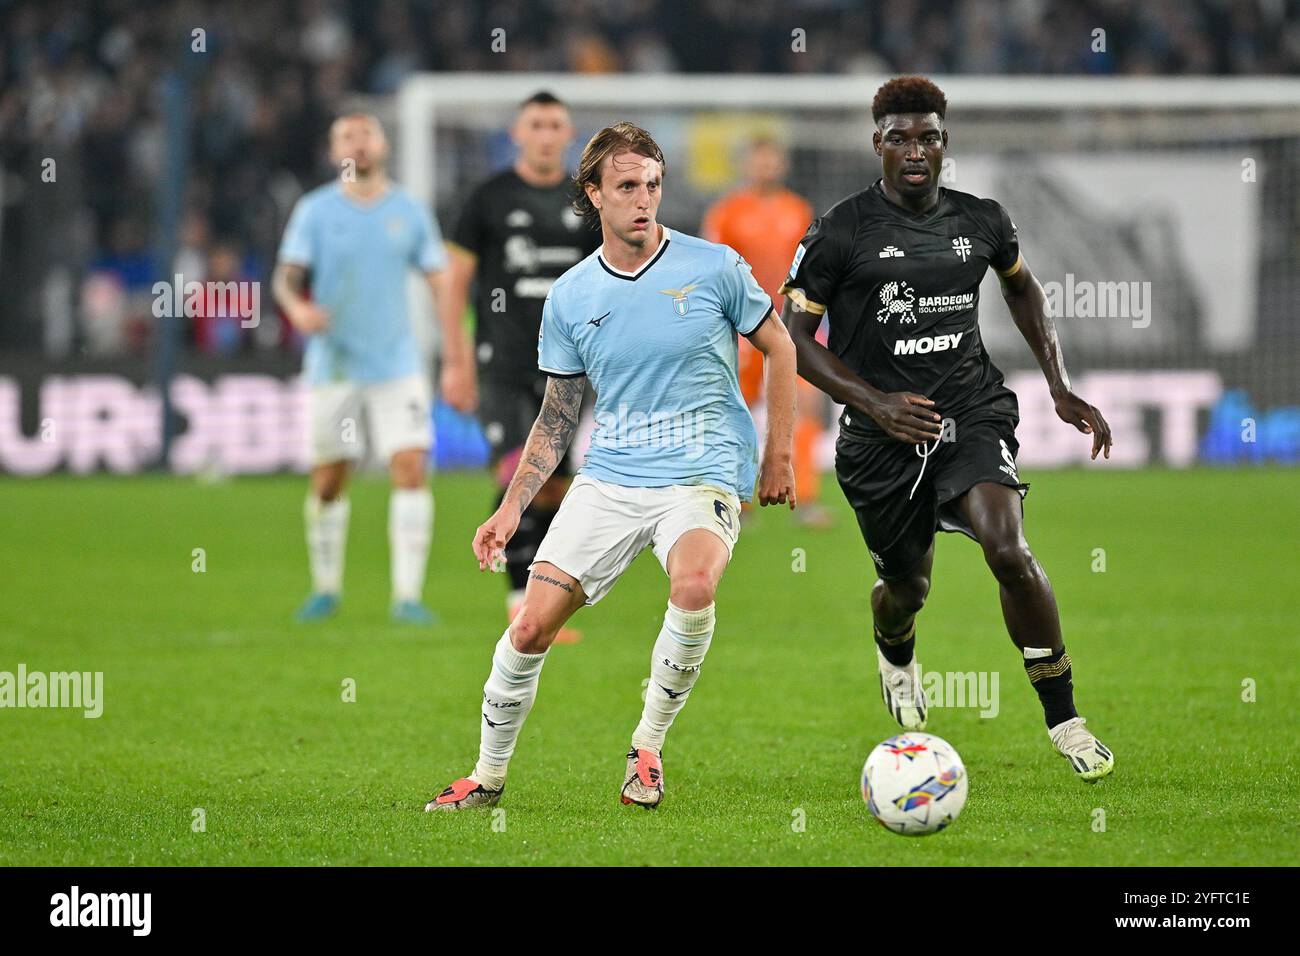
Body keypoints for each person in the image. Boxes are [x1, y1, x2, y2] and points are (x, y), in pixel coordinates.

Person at [427, 122, 797, 811]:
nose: (643, 200)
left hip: (702, 470)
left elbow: (780, 346)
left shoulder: (713, 266)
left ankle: (647, 748)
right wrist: (510, 506)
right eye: (627, 186)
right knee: (530, 627)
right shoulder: (571, 295)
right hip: (613, 475)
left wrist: (777, 452)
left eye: (652, 185)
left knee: (692, 585)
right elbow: (557, 414)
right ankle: (486, 776)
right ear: (593, 194)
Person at [781, 77, 1115, 781]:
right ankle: (896, 651)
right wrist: (875, 405)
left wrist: (1057, 384)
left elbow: (1021, 286)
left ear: (944, 142)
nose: (914, 150)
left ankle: (1066, 718)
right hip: (879, 440)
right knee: (908, 589)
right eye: (899, 137)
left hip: (970, 412)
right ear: (876, 143)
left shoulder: (983, 219)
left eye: (927, 136)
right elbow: (794, 338)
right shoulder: (839, 230)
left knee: (1008, 548)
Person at [273, 114, 470, 625]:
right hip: (334, 365)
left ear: (383, 144)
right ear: (332, 148)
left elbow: (439, 281)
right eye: (346, 137)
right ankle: (326, 588)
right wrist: (297, 311)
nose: (357, 145)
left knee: (409, 466)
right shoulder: (315, 211)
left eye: (366, 135)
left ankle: (407, 597)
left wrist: (454, 352)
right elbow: (286, 278)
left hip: (397, 363)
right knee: (330, 479)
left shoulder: (409, 210)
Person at [442, 91, 601, 642]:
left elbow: (605, 277)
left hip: (568, 363)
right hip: (502, 359)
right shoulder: (487, 198)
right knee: (518, 471)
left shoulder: (585, 201)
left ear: (567, 133)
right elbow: (454, 280)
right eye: (535, 124)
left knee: (555, 486)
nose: (545, 133)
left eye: (555, 124)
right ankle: (520, 606)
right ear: (518, 132)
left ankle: (537, 602)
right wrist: (456, 359)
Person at [702, 136, 831, 527]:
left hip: (792, 325)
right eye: (759, 161)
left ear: (781, 165)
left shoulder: (799, 210)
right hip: (743, 327)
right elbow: (713, 271)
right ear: (747, 165)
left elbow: (813, 269)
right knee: (735, 409)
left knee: (803, 406)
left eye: (772, 160)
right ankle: (737, 499)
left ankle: (803, 497)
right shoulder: (726, 213)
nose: (766, 167)